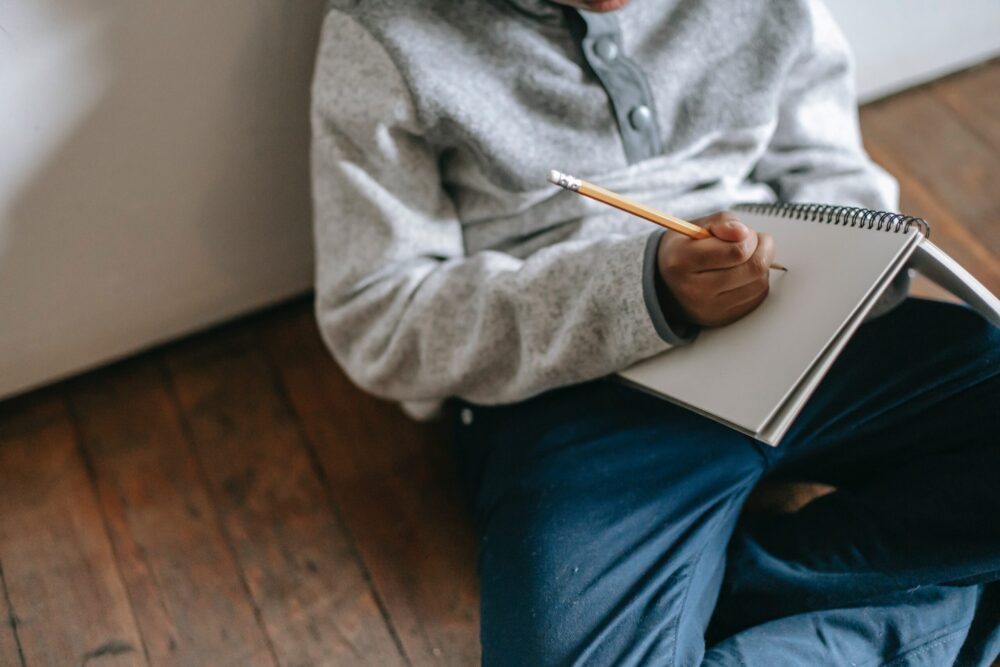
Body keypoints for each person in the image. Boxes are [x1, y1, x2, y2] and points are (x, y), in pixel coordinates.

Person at [310, 0, 1000, 664]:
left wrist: (835, 266)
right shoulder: (384, 33)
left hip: (807, 335)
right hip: (574, 392)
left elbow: (826, 165)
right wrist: (634, 292)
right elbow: (379, 316)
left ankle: (697, 593)